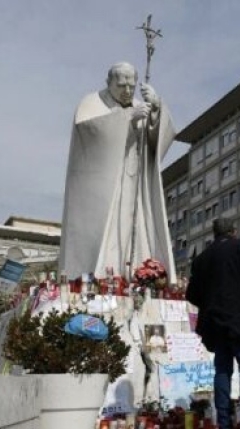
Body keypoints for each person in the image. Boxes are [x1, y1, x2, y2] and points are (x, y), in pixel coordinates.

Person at [59, 62, 176, 283]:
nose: (127, 91)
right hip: (106, 185)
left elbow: (157, 144)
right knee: (108, 232)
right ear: (109, 83)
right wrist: (127, 118)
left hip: (135, 185)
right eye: (121, 85)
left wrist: (157, 110)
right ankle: (101, 276)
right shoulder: (91, 103)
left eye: (131, 85)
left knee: (137, 228)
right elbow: (87, 132)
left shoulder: (141, 105)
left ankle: (137, 275)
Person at [186, 218, 240, 429]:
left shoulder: (202, 259)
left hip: (215, 325)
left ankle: (223, 422)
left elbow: (191, 294)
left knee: (222, 370)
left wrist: (210, 303)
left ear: (214, 234)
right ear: (234, 231)